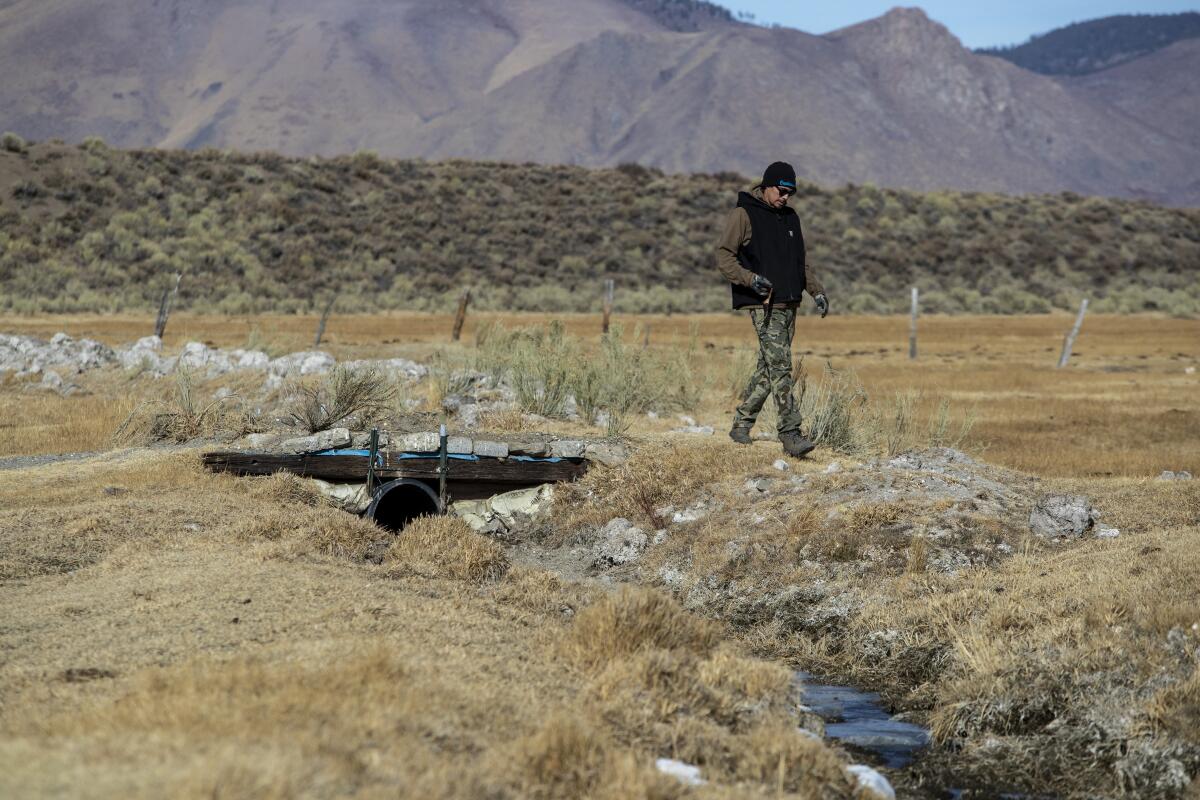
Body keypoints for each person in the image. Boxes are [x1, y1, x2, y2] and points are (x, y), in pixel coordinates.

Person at [715, 161, 828, 458]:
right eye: (781, 190)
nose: (786, 196)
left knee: (768, 368)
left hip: (790, 303)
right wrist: (750, 280)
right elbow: (724, 257)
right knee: (781, 367)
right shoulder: (744, 214)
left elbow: (800, 262)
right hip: (764, 304)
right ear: (767, 186)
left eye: (791, 192)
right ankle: (790, 433)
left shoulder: (791, 218)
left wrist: (816, 291)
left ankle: (741, 423)